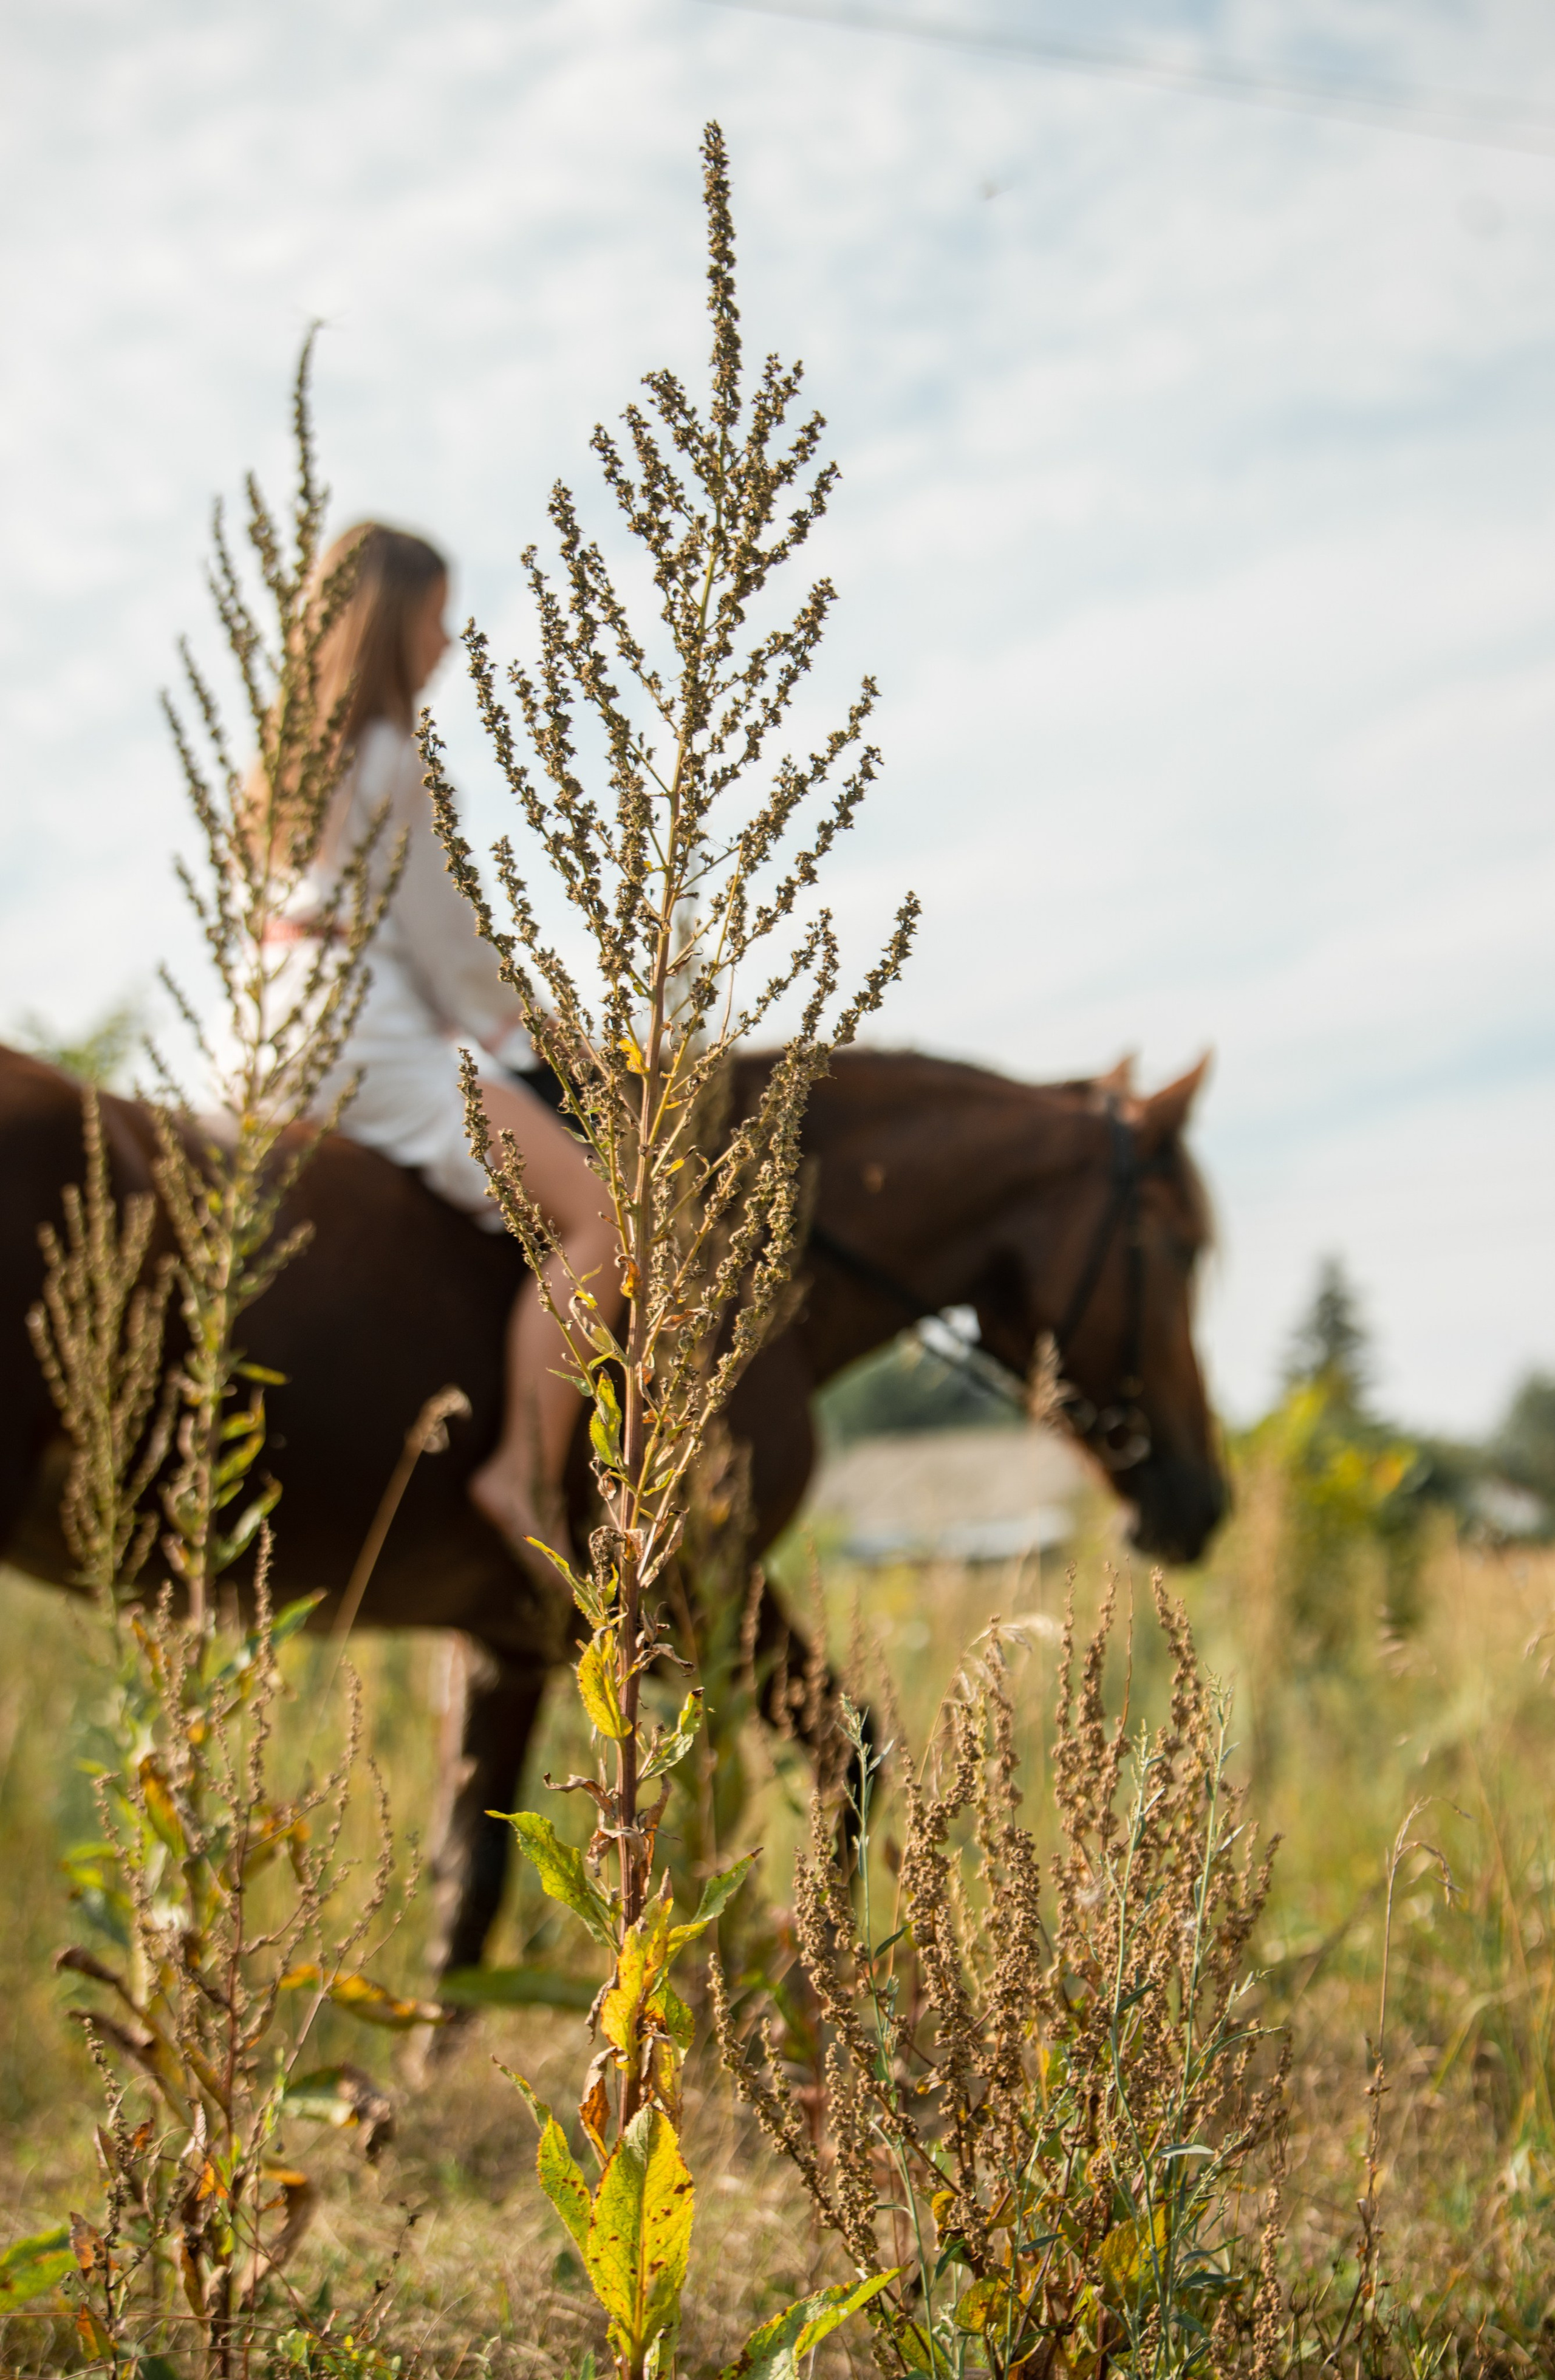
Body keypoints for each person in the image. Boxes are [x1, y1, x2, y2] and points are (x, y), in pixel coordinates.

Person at [256, 521, 618, 1571]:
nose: (452, 643)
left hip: (277, 1024)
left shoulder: (285, 769)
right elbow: (453, 953)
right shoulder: (388, 761)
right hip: (365, 1033)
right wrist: (549, 1051)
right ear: (390, 624)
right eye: (437, 618)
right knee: (601, 1212)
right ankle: (524, 1472)